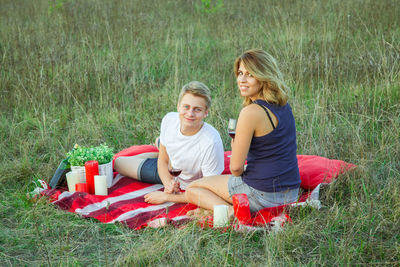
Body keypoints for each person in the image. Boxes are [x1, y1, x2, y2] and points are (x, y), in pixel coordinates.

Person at [185, 49, 301, 217]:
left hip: (264, 195)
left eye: (250, 74)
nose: (242, 80)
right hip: (291, 192)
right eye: (240, 73)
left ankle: (230, 212)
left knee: (193, 188)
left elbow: (236, 169)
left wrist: (237, 150)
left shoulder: (251, 113)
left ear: (263, 76)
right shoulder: (283, 105)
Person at [114, 81, 225, 204]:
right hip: (169, 171)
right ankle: (161, 144)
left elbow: (209, 191)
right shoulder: (169, 120)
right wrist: (168, 184)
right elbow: (163, 160)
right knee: (118, 163)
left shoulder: (211, 141)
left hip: (191, 184)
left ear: (206, 112)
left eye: (197, 109)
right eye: (186, 107)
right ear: (178, 106)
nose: (190, 114)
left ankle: (160, 144)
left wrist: (166, 196)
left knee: (163, 148)